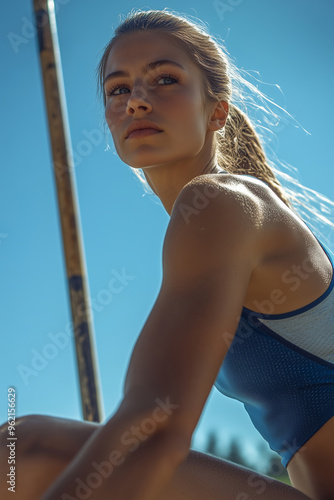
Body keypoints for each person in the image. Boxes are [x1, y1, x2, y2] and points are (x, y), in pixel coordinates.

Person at [1, 8, 333, 500]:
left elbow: (156, 426)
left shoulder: (224, 203)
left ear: (216, 110)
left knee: (24, 450)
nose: (137, 100)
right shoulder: (210, 220)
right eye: (119, 89)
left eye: (165, 79)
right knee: (22, 450)